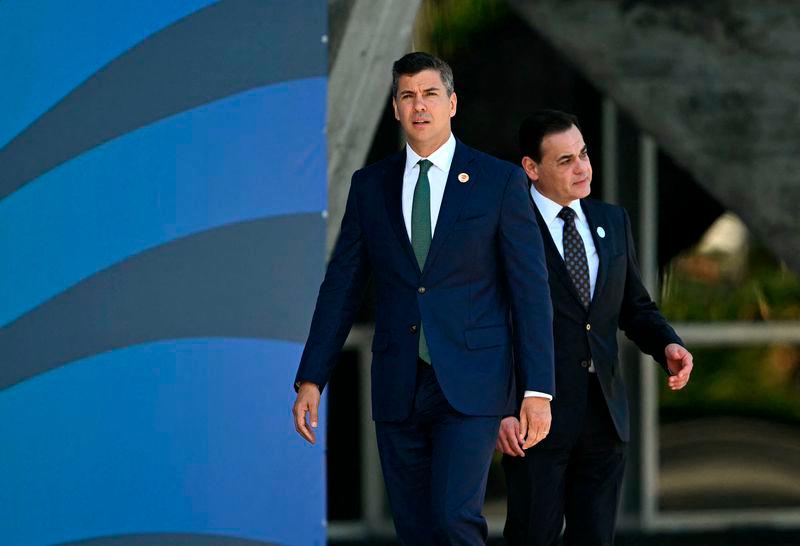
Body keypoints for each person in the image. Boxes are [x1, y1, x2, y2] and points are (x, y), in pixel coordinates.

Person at [290, 52, 555, 545]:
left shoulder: (499, 182)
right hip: (399, 382)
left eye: (431, 94)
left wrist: (537, 390)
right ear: (395, 109)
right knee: (415, 529)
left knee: (455, 518)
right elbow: (342, 285)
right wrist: (312, 376)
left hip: (472, 383)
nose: (420, 106)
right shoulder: (370, 186)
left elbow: (530, 291)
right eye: (408, 96)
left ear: (452, 104)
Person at [498, 110, 694, 546]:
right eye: (565, 160)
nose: (582, 167)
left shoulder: (612, 220)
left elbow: (635, 306)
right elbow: (494, 324)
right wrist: (504, 407)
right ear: (531, 168)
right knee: (533, 536)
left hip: (604, 415)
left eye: (583, 154)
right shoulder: (508, 228)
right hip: (537, 415)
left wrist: (667, 346)